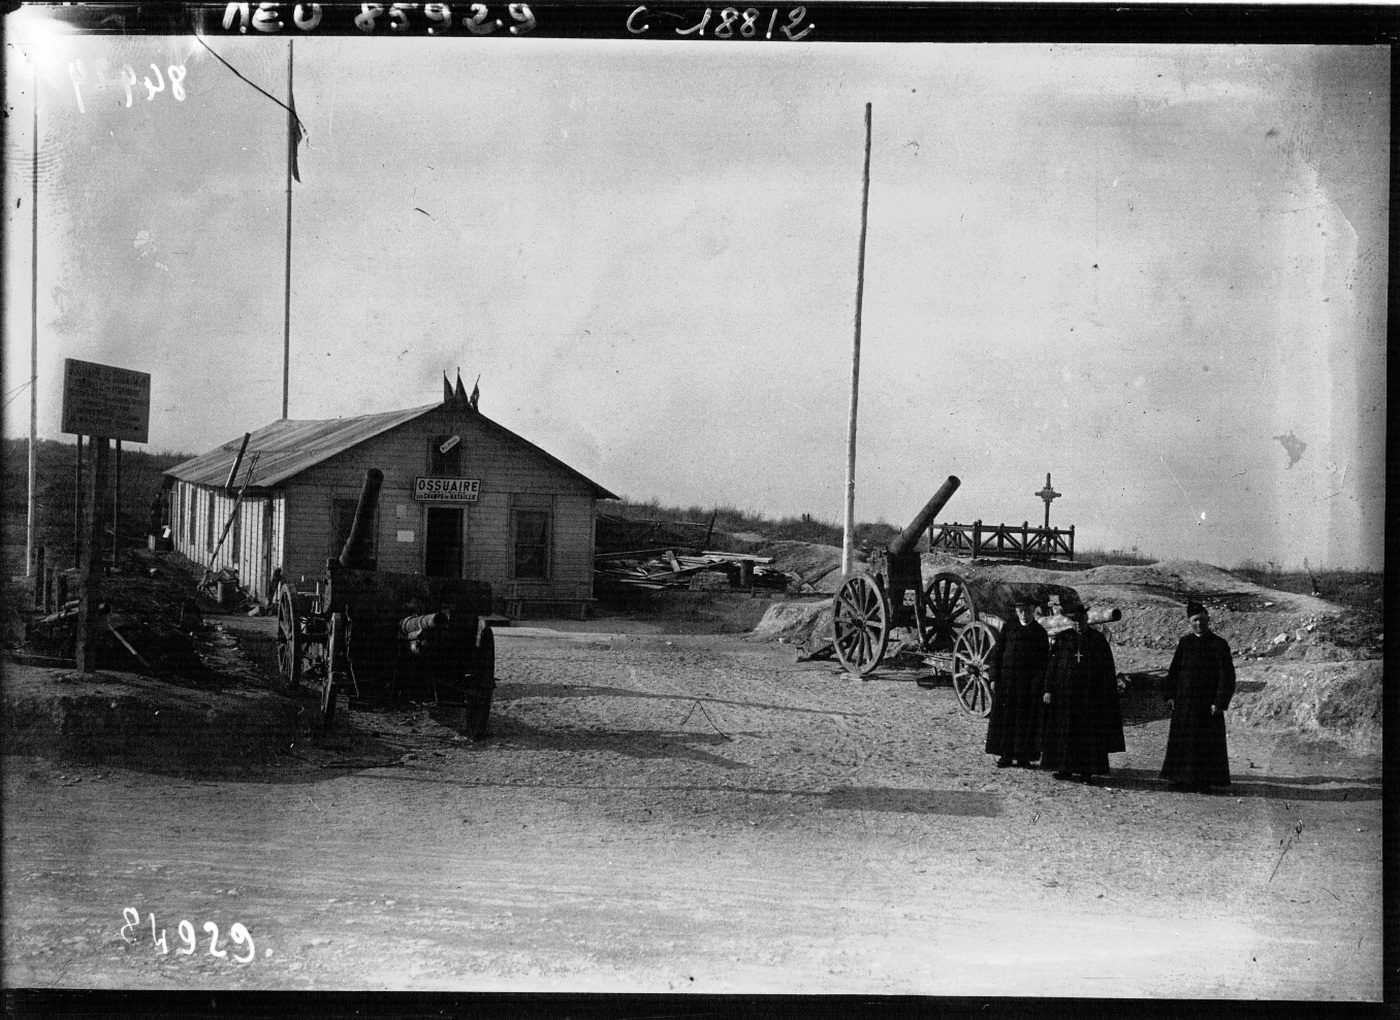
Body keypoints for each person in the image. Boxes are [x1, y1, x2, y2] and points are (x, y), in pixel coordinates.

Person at [1040, 602, 1125, 781]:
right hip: (1065, 696)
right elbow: (1052, 666)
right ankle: (1065, 769)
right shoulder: (1062, 638)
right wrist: (1048, 689)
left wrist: (1107, 694)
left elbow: (1107, 669)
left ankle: (1086, 772)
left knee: (1087, 735)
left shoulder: (1097, 640)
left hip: (1089, 697)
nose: (1078, 623)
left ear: (1087, 619)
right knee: (1065, 733)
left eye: (1081, 619)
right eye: (1074, 620)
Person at [1159, 601, 1236, 792]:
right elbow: (1174, 671)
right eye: (1195, 620)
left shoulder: (1218, 644)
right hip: (1184, 703)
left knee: (1204, 743)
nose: (1199, 624)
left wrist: (1219, 702)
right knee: (1183, 741)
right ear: (1189, 622)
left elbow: (1227, 676)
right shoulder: (1185, 643)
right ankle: (1180, 779)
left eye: (1202, 620)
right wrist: (1170, 696)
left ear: (1208, 619)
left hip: (1206, 706)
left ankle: (1203, 782)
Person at [985, 593, 1050, 768]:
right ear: (1016, 611)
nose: (1024, 614)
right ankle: (1005, 756)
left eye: (1028, 611)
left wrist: (1039, 685)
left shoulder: (1039, 633)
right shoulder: (1009, 628)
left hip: (1028, 687)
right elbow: (996, 654)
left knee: (1025, 722)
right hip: (1007, 684)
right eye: (1021, 611)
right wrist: (993, 677)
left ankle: (1023, 757)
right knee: (1006, 721)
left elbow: (1044, 662)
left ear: (1033, 611)